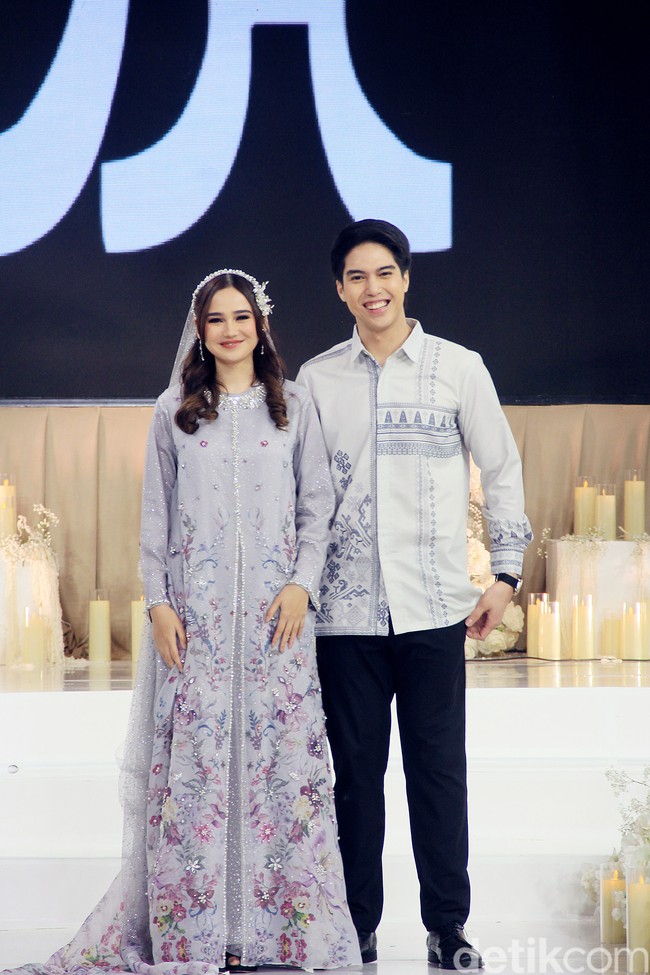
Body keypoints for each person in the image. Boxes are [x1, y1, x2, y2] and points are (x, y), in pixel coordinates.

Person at [4, 270, 361, 974]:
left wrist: (301, 586)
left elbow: (318, 509)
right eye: (216, 320)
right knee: (197, 771)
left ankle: (274, 932)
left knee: (280, 769)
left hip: (276, 627)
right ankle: (201, 934)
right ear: (199, 330)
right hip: (194, 627)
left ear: (261, 327)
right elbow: (154, 523)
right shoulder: (175, 410)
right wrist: (160, 603)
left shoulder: (293, 408)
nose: (231, 330)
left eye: (242, 317)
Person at [296, 220, 533, 970]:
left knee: (437, 771)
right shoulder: (314, 379)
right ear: (340, 288)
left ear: (406, 279)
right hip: (343, 616)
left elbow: (501, 467)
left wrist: (505, 572)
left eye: (386, 273)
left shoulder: (458, 368)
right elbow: (296, 493)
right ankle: (356, 924)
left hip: (434, 609)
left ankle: (447, 927)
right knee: (355, 777)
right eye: (358, 276)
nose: (374, 288)